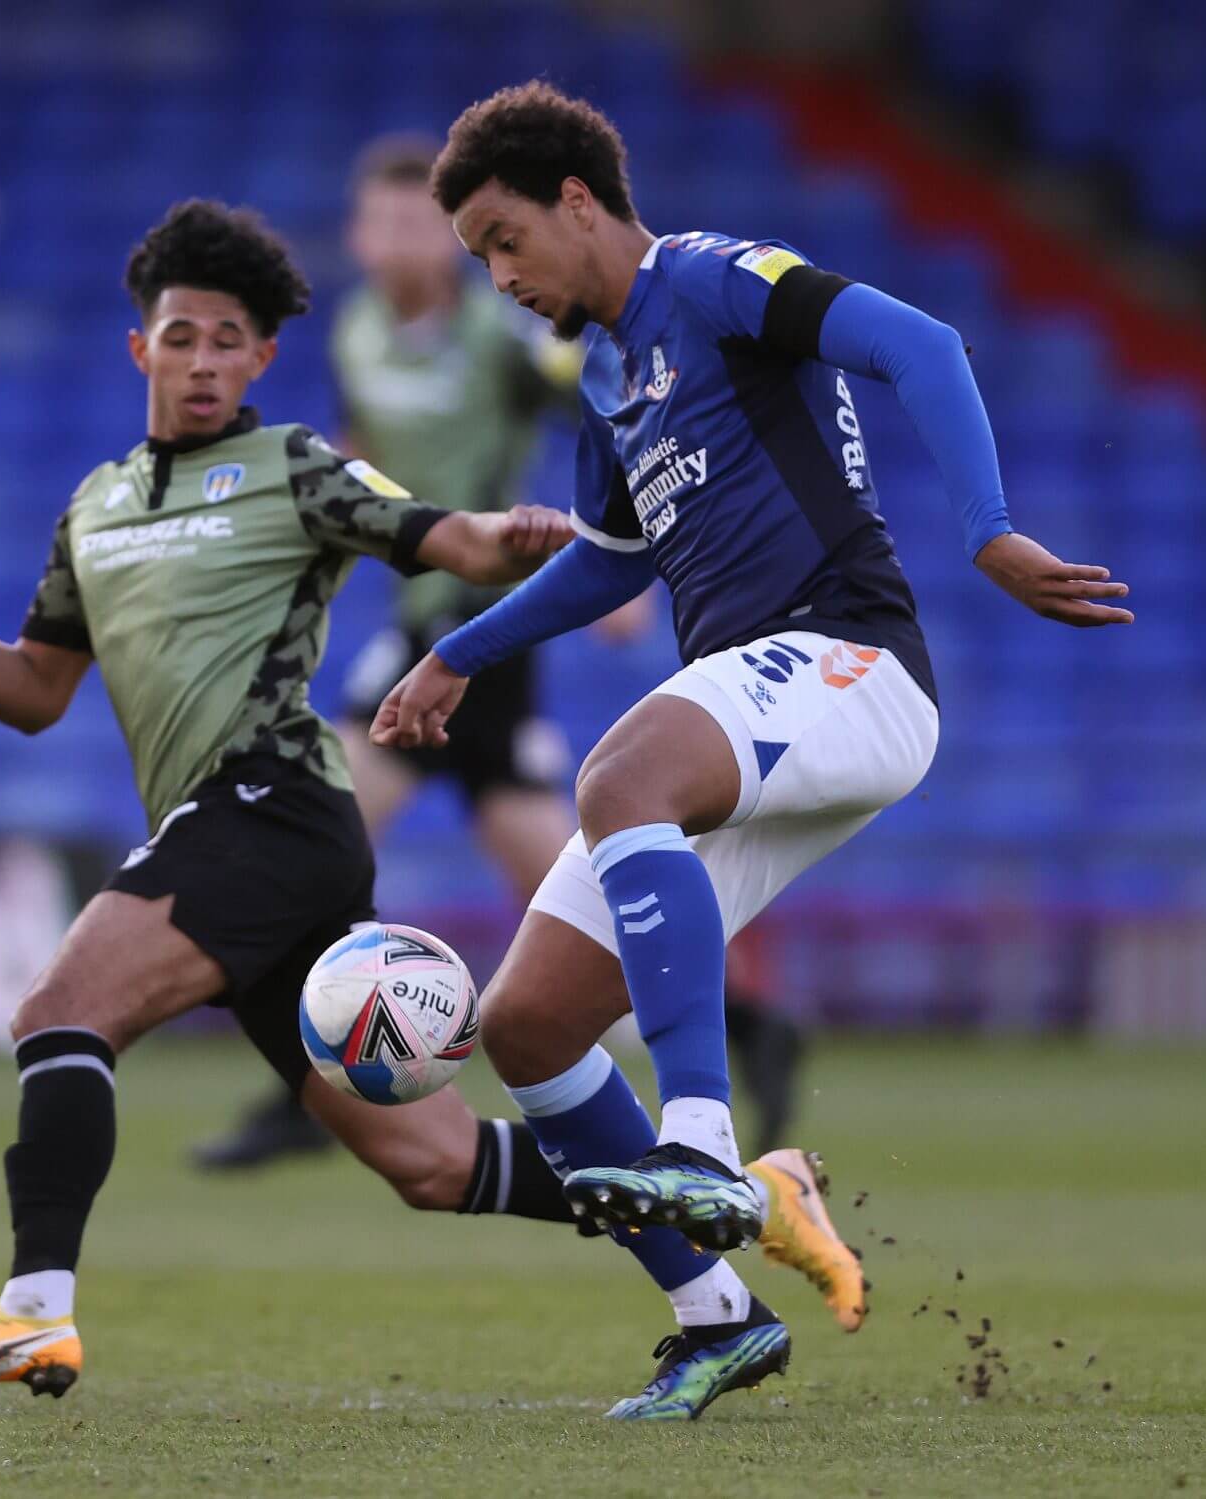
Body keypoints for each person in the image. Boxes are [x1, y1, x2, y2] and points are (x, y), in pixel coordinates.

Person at [0, 197, 863, 1404]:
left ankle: (30, 1313)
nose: (201, 360)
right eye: (179, 336)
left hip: (270, 805)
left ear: (262, 357)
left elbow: (435, 532)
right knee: (432, 1163)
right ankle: (741, 1233)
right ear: (141, 348)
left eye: (227, 340)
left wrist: (517, 535)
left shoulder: (290, 465)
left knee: (58, 1012)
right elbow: (36, 689)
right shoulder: (91, 509)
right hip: (231, 842)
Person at [372, 83, 1133, 1420]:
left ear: (579, 201)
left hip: (854, 663)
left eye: (506, 241)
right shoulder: (612, 378)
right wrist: (457, 653)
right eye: (480, 258)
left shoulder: (713, 278)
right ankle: (716, 1315)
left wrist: (989, 528)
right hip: (744, 701)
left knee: (616, 778)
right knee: (530, 1023)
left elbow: (922, 342)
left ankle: (705, 1137)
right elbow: (607, 561)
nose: (499, 278)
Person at [192, 135, 804, 1173]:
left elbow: (612, 407)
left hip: (484, 635)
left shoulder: (494, 336)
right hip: (417, 626)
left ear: (444, 239)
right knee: (372, 844)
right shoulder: (351, 330)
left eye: (409, 222)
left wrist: (619, 560)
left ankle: (741, 1026)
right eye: (374, 222)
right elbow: (364, 442)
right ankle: (308, 1085)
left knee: (335, 841)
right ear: (354, 235)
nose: (391, 241)